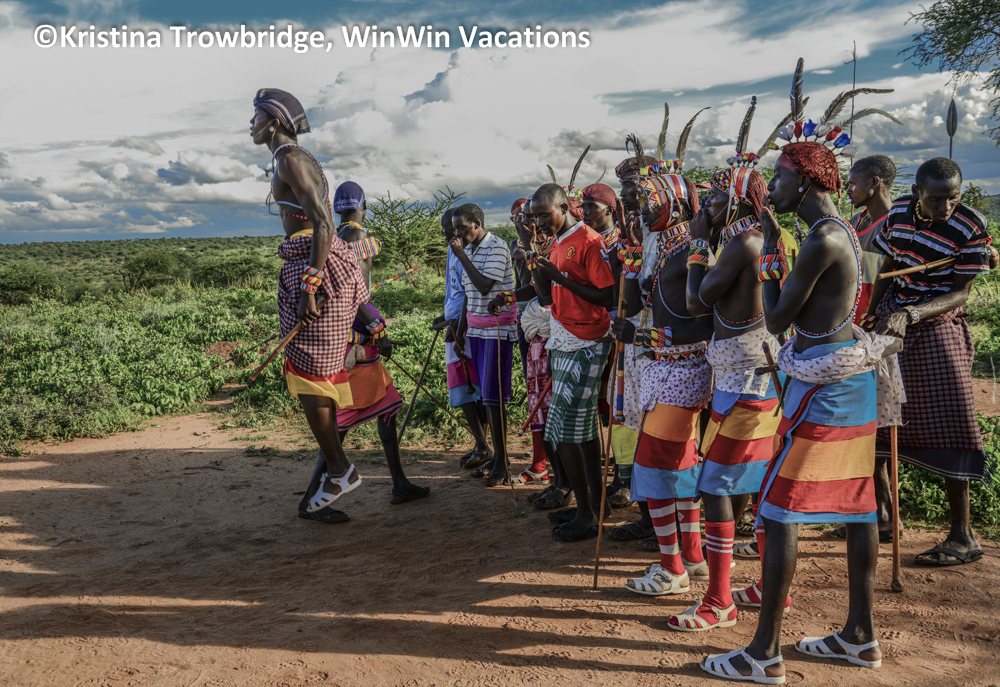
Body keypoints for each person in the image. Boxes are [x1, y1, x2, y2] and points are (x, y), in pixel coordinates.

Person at [700, 66, 899, 683]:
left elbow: (779, 317)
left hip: (826, 386)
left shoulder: (821, 240)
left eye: (781, 177)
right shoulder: (842, 233)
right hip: (845, 380)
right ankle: (859, 636)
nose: (774, 189)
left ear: (806, 178)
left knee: (778, 509)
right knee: (858, 505)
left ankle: (763, 654)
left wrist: (762, 259)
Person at [679, 102, 787, 632]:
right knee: (753, 481)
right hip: (746, 374)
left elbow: (696, 302)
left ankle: (719, 600)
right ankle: (764, 585)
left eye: (717, 196)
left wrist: (697, 242)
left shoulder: (744, 240)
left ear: (739, 198)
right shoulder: (752, 236)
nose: (708, 203)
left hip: (747, 377)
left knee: (717, 486)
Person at [866, 156, 993, 566]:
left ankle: (963, 535)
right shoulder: (899, 214)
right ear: (917, 192)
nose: (946, 207)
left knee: (955, 416)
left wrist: (911, 314)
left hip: (937, 318)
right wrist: (872, 312)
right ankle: (885, 515)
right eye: (936, 199)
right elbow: (887, 265)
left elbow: (961, 293)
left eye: (953, 198)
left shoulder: (970, 226)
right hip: (893, 312)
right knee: (877, 416)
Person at [251, 88, 369, 520]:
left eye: (256, 117)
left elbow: (321, 222)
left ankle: (339, 470)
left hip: (314, 265)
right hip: (314, 261)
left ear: (274, 122)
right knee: (316, 376)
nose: (250, 126)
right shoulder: (294, 158)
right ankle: (330, 476)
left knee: (309, 376)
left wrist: (310, 285)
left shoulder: (289, 159)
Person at [610, 168, 715, 595]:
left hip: (684, 369)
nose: (640, 210)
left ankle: (672, 569)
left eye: (648, 202)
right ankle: (693, 557)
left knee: (653, 467)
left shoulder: (692, 249)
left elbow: (707, 324)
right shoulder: (658, 246)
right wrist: (632, 257)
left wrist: (642, 337)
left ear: (673, 204)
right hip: (660, 368)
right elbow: (634, 304)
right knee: (679, 466)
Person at [322, 181, 430, 507]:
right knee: (340, 424)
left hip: (349, 338)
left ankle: (400, 484)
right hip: (356, 340)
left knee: (388, 407)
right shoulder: (358, 240)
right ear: (363, 207)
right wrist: (376, 329)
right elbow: (353, 295)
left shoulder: (334, 239)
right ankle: (315, 497)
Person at [529, 183, 616, 542]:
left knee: (564, 430)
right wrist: (538, 270)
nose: (538, 222)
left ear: (564, 208)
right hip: (565, 336)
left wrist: (557, 277)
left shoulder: (589, 241)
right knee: (581, 429)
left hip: (587, 341)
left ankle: (586, 515)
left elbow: (607, 295)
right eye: (534, 217)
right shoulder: (555, 242)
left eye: (543, 214)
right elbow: (548, 298)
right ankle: (595, 504)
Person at [451, 202, 517, 487]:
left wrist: (460, 255)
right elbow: (469, 294)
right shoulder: (469, 250)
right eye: (455, 228)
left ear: (477, 224)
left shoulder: (497, 247)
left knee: (494, 398)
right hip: (476, 332)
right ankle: (496, 457)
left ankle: (502, 463)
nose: (456, 233)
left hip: (497, 331)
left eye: (461, 227)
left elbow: (485, 286)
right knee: (486, 397)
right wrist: (461, 333)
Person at [582, 182, 635, 509]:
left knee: (622, 405)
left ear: (611, 210)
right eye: (584, 206)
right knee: (608, 406)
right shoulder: (591, 240)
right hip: (598, 331)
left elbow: (615, 290)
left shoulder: (622, 241)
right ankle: (620, 473)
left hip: (622, 331)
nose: (585, 212)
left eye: (592, 207)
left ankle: (627, 479)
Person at [435, 208, 492, 469]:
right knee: (465, 384)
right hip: (455, 320)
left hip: (467, 324)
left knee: (470, 385)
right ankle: (481, 444)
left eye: (450, 227)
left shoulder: (467, 250)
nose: (445, 231)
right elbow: (455, 289)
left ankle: (483, 445)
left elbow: (471, 292)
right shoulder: (453, 248)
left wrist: (458, 324)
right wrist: (446, 316)